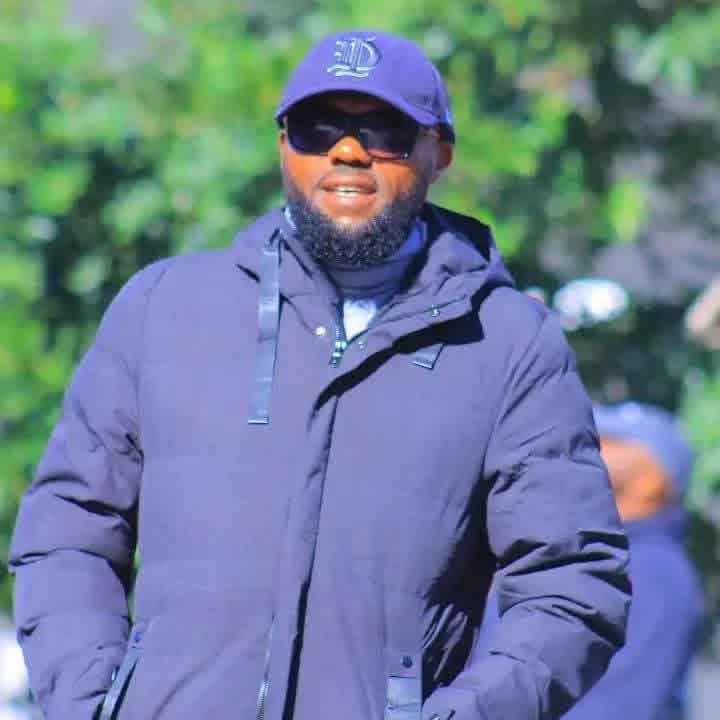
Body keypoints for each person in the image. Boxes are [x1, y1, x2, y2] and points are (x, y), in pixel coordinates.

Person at [9, 30, 630, 720]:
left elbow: (570, 583)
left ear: (439, 153)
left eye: (385, 131)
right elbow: (68, 531)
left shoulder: (509, 342)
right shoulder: (162, 307)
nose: (348, 151)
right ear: (284, 145)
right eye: (318, 128)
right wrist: (91, 702)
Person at [476, 402, 704, 720]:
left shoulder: (654, 570)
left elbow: (622, 704)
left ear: (653, 481)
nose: (588, 447)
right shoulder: (578, 552)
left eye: (611, 442)